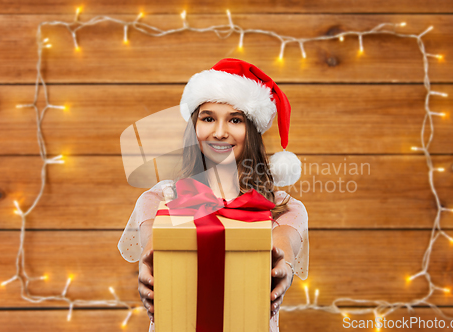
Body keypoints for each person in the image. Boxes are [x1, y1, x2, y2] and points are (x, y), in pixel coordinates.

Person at [118, 58, 309, 332]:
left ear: (251, 131)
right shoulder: (162, 198)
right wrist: (150, 260)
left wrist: (284, 267)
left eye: (235, 120)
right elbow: (152, 241)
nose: (220, 133)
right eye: (208, 118)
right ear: (195, 127)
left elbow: (284, 244)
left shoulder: (284, 208)